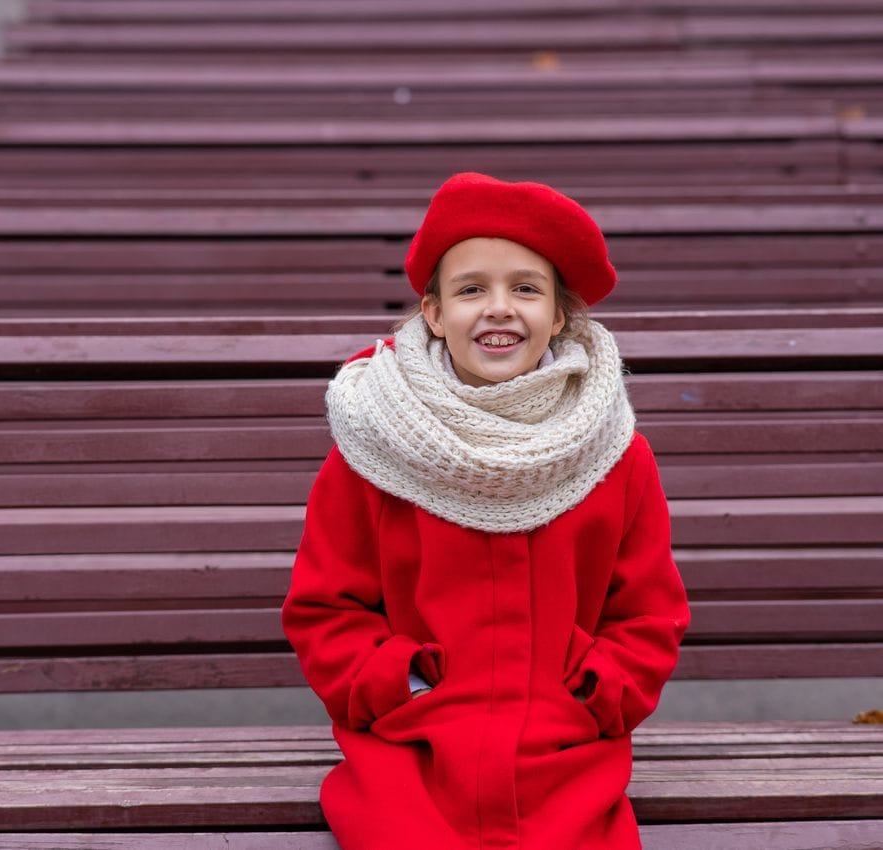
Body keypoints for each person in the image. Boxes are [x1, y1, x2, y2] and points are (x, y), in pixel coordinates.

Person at [281, 172, 690, 849]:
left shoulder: (615, 452)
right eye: (471, 289)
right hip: (412, 746)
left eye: (525, 289)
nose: (498, 309)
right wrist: (397, 683)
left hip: (565, 751)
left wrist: (596, 691)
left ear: (559, 315)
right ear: (433, 314)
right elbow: (325, 610)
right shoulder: (372, 443)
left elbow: (647, 613)